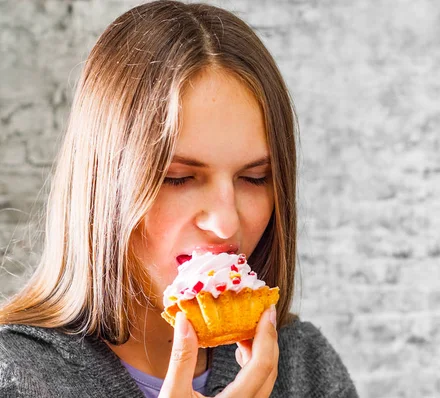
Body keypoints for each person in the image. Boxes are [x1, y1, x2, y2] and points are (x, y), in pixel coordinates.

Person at [0, 1, 358, 397]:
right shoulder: (16, 378)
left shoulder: (304, 367)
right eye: (179, 178)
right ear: (104, 185)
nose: (226, 222)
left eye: (254, 179)